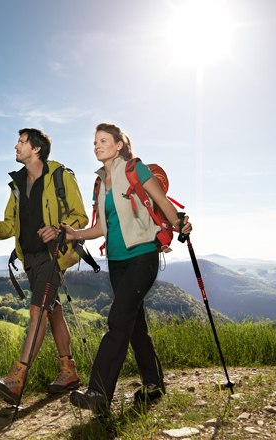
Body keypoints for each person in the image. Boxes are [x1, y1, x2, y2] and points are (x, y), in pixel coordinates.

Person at [62, 123, 192, 413]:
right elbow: (100, 227)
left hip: (142, 256)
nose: (96, 145)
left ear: (119, 145)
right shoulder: (100, 182)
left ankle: (98, 392)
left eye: (103, 140)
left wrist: (180, 223)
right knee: (134, 326)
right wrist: (74, 235)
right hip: (117, 263)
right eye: (94, 141)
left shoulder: (135, 169)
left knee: (119, 318)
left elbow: (163, 204)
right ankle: (154, 383)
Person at [0, 128, 88, 405]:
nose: (16, 146)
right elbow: (11, 225)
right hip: (30, 259)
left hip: (53, 255)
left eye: (21, 142)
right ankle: (68, 371)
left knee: (37, 311)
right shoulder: (17, 185)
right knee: (52, 310)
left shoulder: (61, 176)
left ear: (36, 149)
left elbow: (80, 216)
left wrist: (58, 229)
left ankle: (16, 378)